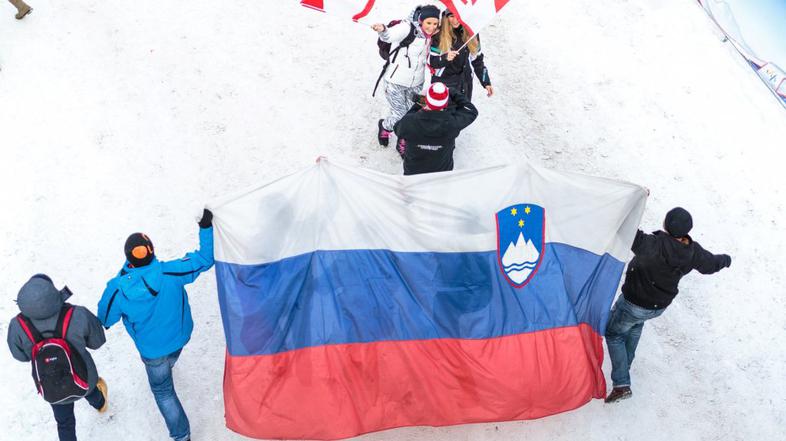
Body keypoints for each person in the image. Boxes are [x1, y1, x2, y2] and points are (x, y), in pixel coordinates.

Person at [97, 209, 214, 441]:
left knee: (163, 392)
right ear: (152, 251)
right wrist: (205, 226)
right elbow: (205, 259)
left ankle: (182, 436)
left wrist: (123, 276)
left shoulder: (117, 289)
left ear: (128, 259)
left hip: (152, 351)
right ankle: (171, 363)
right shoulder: (171, 272)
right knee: (170, 361)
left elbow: (105, 320)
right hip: (180, 337)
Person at [604, 207, 732, 403]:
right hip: (656, 307)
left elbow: (626, 230)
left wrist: (630, 202)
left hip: (634, 302)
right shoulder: (692, 251)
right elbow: (711, 264)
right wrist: (726, 260)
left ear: (665, 224)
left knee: (614, 333)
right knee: (635, 327)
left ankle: (621, 384)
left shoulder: (653, 245)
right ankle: (624, 367)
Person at [7, 274, 108, 441]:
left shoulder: (17, 325)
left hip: (51, 383)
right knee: (90, 390)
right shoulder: (78, 313)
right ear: (54, 293)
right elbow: (97, 342)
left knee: (64, 422)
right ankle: (100, 404)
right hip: (84, 374)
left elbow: (20, 356)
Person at [372, 5, 441, 147]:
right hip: (394, 82)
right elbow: (389, 36)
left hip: (416, 83)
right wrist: (382, 29)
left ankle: (403, 139)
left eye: (435, 23)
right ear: (421, 20)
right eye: (429, 23)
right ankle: (385, 126)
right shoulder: (407, 27)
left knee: (412, 114)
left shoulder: (434, 36)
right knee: (399, 115)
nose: (432, 27)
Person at [394, 82, 478, 175]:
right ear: (445, 104)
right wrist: (452, 92)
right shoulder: (452, 124)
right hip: (441, 175)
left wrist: (418, 105)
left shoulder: (409, 121)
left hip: (412, 174)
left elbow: (397, 129)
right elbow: (471, 111)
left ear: (427, 99)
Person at [430, 10, 493, 101]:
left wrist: (486, 82)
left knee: (464, 110)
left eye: (459, 17)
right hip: (444, 85)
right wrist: (445, 58)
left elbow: (477, 60)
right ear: (446, 17)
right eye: (452, 16)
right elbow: (432, 62)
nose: (455, 20)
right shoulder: (439, 35)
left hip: (465, 84)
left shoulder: (472, 32)